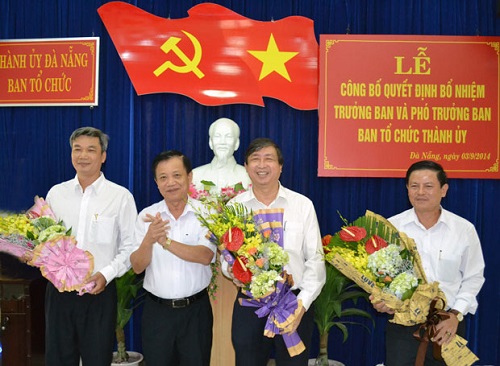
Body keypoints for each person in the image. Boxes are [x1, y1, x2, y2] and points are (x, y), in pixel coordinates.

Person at [223, 138, 326, 366]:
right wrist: (232, 269)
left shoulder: (302, 205)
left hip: (293, 303)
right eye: (255, 160)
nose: (262, 165)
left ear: (280, 167)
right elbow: (226, 258)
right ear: (246, 167)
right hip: (251, 304)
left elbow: (316, 259)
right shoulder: (234, 207)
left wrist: (303, 304)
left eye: (268, 159)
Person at [371, 160, 485, 366]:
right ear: (407, 189)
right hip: (402, 327)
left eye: (428, 186)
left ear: (444, 190)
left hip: (447, 325)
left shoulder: (463, 230)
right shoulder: (390, 228)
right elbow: (380, 275)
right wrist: (382, 300)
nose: (420, 192)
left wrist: (455, 314)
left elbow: (473, 277)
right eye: (414, 186)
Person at [44, 126, 138, 366]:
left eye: (90, 150)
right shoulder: (56, 194)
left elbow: (130, 247)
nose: (83, 156)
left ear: (103, 156)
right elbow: (45, 240)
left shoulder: (120, 196)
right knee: (58, 359)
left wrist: (106, 276)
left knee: (97, 359)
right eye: (77, 149)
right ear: (71, 153)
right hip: (59, 294)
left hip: (99, 292)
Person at [130, 150, 216, 366]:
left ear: (189, 177)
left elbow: (205, 256)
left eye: (177, 175)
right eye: (163, 177)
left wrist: (165, 241)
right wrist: (149, 239)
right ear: (156, 183)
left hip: (195, 312)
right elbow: (137, 267)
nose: (171, 183)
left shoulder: (206, 214)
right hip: (157, 314)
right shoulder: (147, 217)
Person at [192, 117, 251, 190]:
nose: (222, 142)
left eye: (228, 136)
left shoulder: (249, 176)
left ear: (236, 143)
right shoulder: (195, 176)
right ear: (210, 142)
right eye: (217, 136)